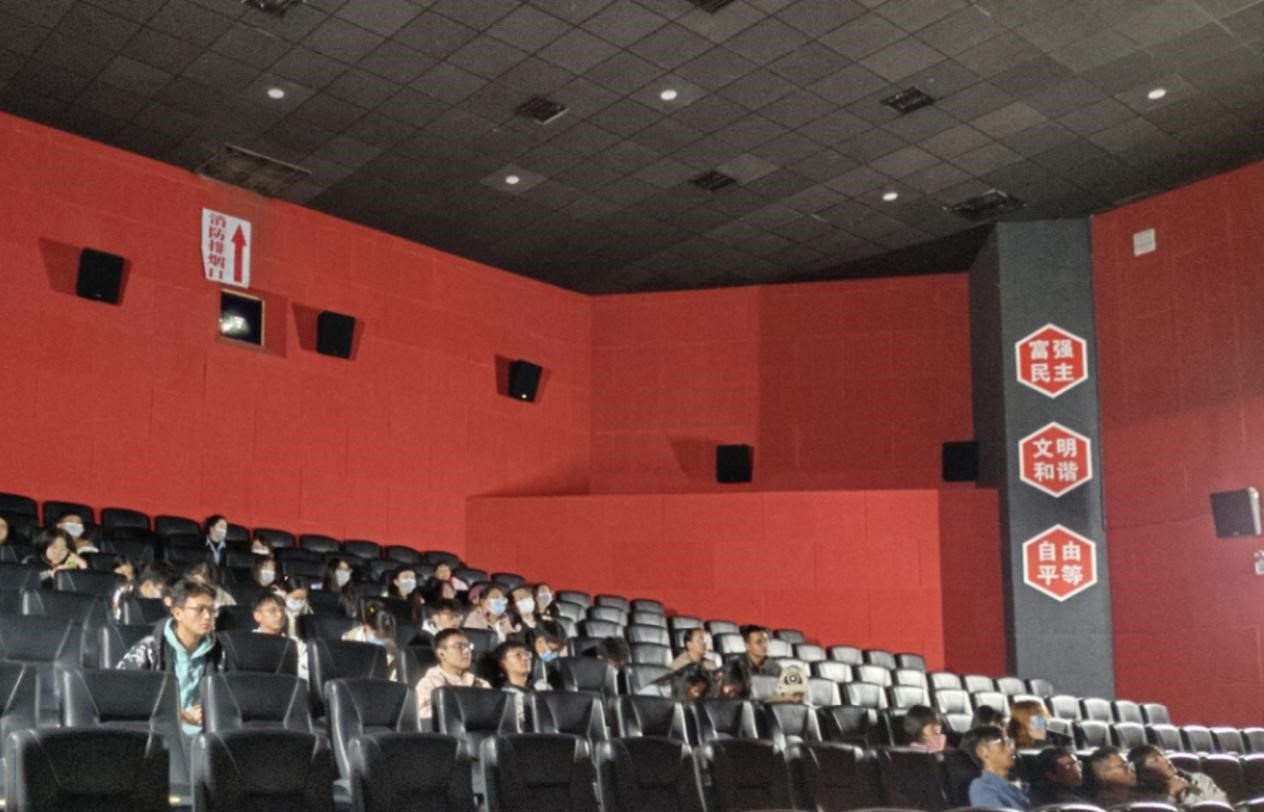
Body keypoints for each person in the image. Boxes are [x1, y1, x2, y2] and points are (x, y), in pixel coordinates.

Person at [119, 578, 223, 735]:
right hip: (158, 730)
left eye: (212, 610)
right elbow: (122, 693)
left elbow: (230, 697)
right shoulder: (150, 648)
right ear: (178, 613)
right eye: (199, 609)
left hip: (207, 732)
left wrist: (211, 709)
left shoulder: (220, 651)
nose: (208, 616)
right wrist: (177, 713)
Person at [415, 628, 490, 722]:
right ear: (442, 654)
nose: (466, 651)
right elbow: (423, 717)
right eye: (459, 647)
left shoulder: (481, 684)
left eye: (468, 646)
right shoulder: (429, 684)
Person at [1129, 744, 1228, 806]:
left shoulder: (1199, 780)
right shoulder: (1145, 798)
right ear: (1145, 774)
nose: (1165, 760)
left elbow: (1221, 805)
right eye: (1155, 760)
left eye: (1162, 756)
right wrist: (1172, 794)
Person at [964, 726, 1030, 810]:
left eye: (1010, 742)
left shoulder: (1023, 782)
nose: (1012, 748)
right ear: (982, 752)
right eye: (1002, 743)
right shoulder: (982, 788)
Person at [252, 592, 308, 681]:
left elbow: (308, 670)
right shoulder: (248, 642)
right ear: (257, 616)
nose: (280, 615)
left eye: (282, 610)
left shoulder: (294, 642)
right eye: (272, 611)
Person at [342, 599, 399, 680]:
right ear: (366, 626)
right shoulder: (349, 640)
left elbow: (393, 677)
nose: (381, 641)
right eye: (378, 637)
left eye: (385, 637)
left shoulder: (391, 646)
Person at [728, 625, 781, 695]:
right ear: (747, 646)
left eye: (765, 641)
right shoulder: (736, 666)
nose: (764, 645)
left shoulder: (775, 667)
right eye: (758, 642)